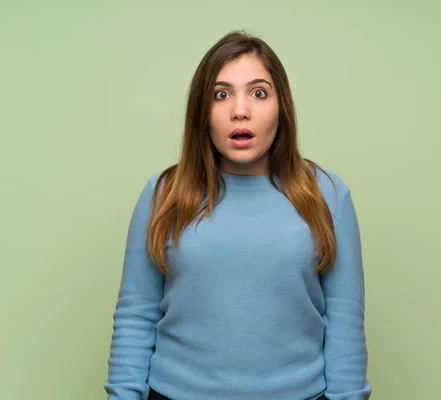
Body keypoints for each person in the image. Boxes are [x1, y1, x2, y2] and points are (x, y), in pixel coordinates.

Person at [104, 30, 372, 400]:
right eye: (221, 94)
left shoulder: (327, 194)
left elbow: (344, 320)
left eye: (259, 93)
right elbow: (136, 314)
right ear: (203, 112)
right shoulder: (163, 194)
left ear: (282, 107)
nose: (240, 110)